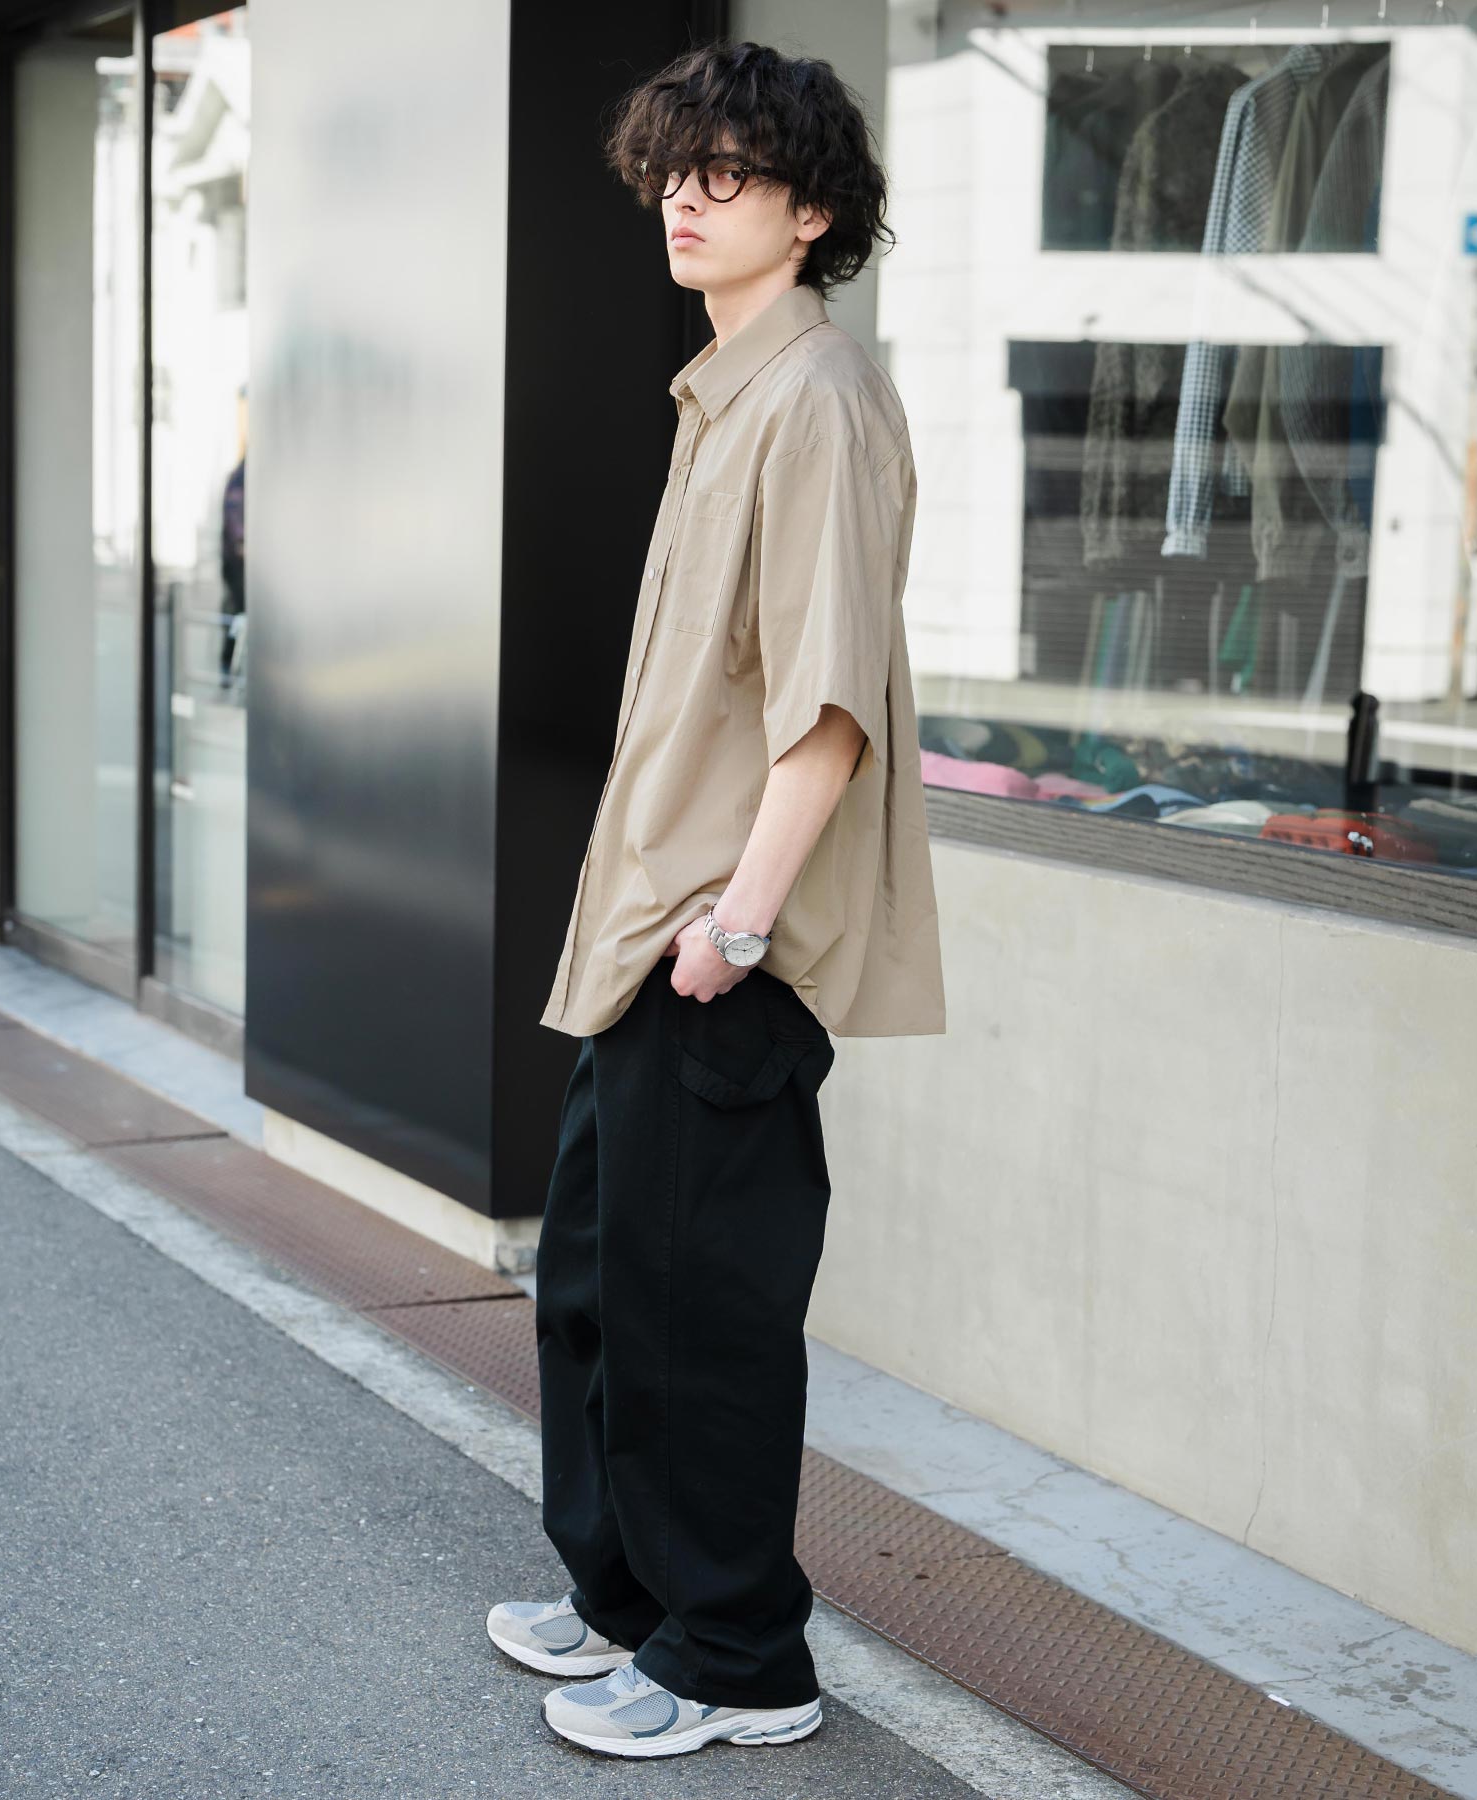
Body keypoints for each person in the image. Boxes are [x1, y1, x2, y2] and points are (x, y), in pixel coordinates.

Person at [486, 37, 946, 1760]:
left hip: (717, 948)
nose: (688, 198)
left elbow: (828, 708)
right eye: (677, 170)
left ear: (812, 209)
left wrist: (736, 926)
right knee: (600, 1287)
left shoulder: (817, 399)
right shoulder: (725, 393)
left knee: (704, 1321)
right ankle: (628, 1598)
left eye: (730, 173)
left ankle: (740, 1658)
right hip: (650, 936)